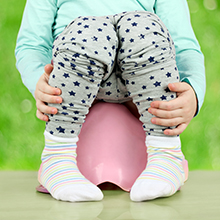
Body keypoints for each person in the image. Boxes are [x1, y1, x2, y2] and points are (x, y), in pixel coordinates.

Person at [15, 0, 205, 202]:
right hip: (78, 84)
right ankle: (58, 157)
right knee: (88, 31)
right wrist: (39, 80)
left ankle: (166, 153)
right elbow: (31, 44)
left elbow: (184, 46)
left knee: (141, 26)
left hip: (141, 84)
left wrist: (192, 91)